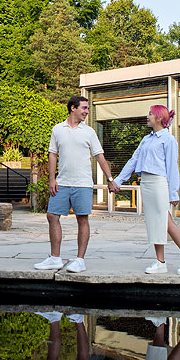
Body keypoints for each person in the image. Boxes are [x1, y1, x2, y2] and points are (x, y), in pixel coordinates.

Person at [34, 94, 118, 273]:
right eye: (84, 108)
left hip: (83, 183)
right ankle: (55, 258)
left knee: (82, 219)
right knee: (52, 216)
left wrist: (110, 179)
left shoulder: (89, 132)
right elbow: (52, 154)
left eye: (87, 109)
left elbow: (99, 156)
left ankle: (80, 260)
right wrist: (51, 179)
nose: (87, 112)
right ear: (73, 108)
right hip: (62, 183)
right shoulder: (57, 129)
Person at [113, 104, 180, 276]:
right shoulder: (147, 139)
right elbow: (133, 160)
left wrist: (173, 192)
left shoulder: (168, 140)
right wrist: (118, 180)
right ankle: (160, 262)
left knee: (165, 222)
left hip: (160, 183)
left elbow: (172, 167)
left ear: (159, 118)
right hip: (146, 183)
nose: (147, 116)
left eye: (150, 114)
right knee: (154, 223)